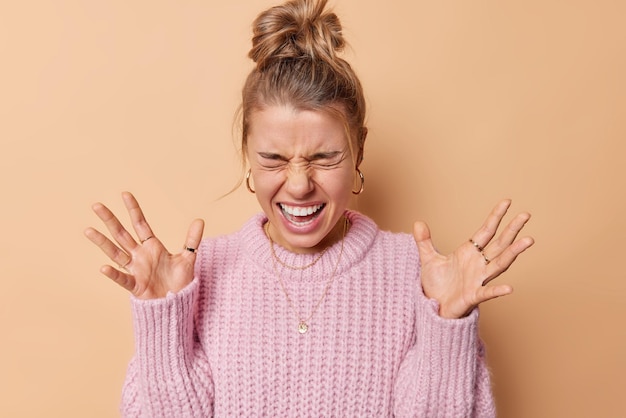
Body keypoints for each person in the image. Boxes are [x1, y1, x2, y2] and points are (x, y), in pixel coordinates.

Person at [85, 0, 534, 416]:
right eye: (274, 159)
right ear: (247, 156)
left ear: (358, 153)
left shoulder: (413, 273)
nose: (299, 185)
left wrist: (446, 325)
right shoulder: (198, 274)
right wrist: (163, 317)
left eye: (324, 158)